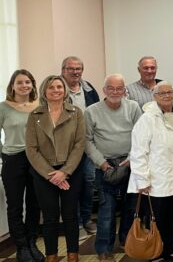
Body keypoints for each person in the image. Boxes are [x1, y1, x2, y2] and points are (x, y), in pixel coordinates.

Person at [128, 81, 173, 262]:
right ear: (155, 96)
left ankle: (170, 250)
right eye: (162, 93)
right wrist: (142, 181)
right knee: (157, 219)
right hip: (156, 181)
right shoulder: (147, 119)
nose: (167, 96)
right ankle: (155, 253)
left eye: (170, 92)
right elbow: (138, 152)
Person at [25, 75, 85, 262]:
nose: (56, 90)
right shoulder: (35, 115)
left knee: (70, 215)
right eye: (51, 87)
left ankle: (72, 254)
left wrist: (65, 172)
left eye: (59, 86)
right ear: (44, 91)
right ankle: (51, 255)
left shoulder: (76, 112)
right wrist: (52, 175)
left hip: (71, 172)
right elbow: (31, 149)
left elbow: (79, 144)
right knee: (50, 217)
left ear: (65, 90)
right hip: (44, 173)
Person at [84, 74, 142, 261]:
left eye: (119, 88)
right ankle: (104, 249)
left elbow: (142, 135)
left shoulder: (133, 107)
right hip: (105, 165)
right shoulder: (91, 111)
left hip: (130, 163)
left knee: (130, 206)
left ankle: (126, 240)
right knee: (106, 210)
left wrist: (133, 157)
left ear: (125, 90)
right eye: (111, 88)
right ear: (104, 90)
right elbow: (87, 140)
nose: (115, 92)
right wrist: (101, 162)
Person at [1, 70, 44, 262]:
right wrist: (4, 153)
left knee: (35, 205)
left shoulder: (41, 105)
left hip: (36, 159)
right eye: (20, 82)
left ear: (33, 85)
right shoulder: (3, 107)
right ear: (12, 86)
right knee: (15, 206)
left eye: (28, 82)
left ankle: (32, 242)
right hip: (13, 159)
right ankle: (22, 247)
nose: (24, 85)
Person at [61, 56, 100, 239]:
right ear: (63, 70)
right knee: (72, 184)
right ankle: (75, 223)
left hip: (88, 144)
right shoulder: (57, 88)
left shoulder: (89, 89)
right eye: (71, 68)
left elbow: (98, 112)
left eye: (78, 68)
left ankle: (86, 219)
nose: (75, 72)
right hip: (67, 147)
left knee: (88, 182)